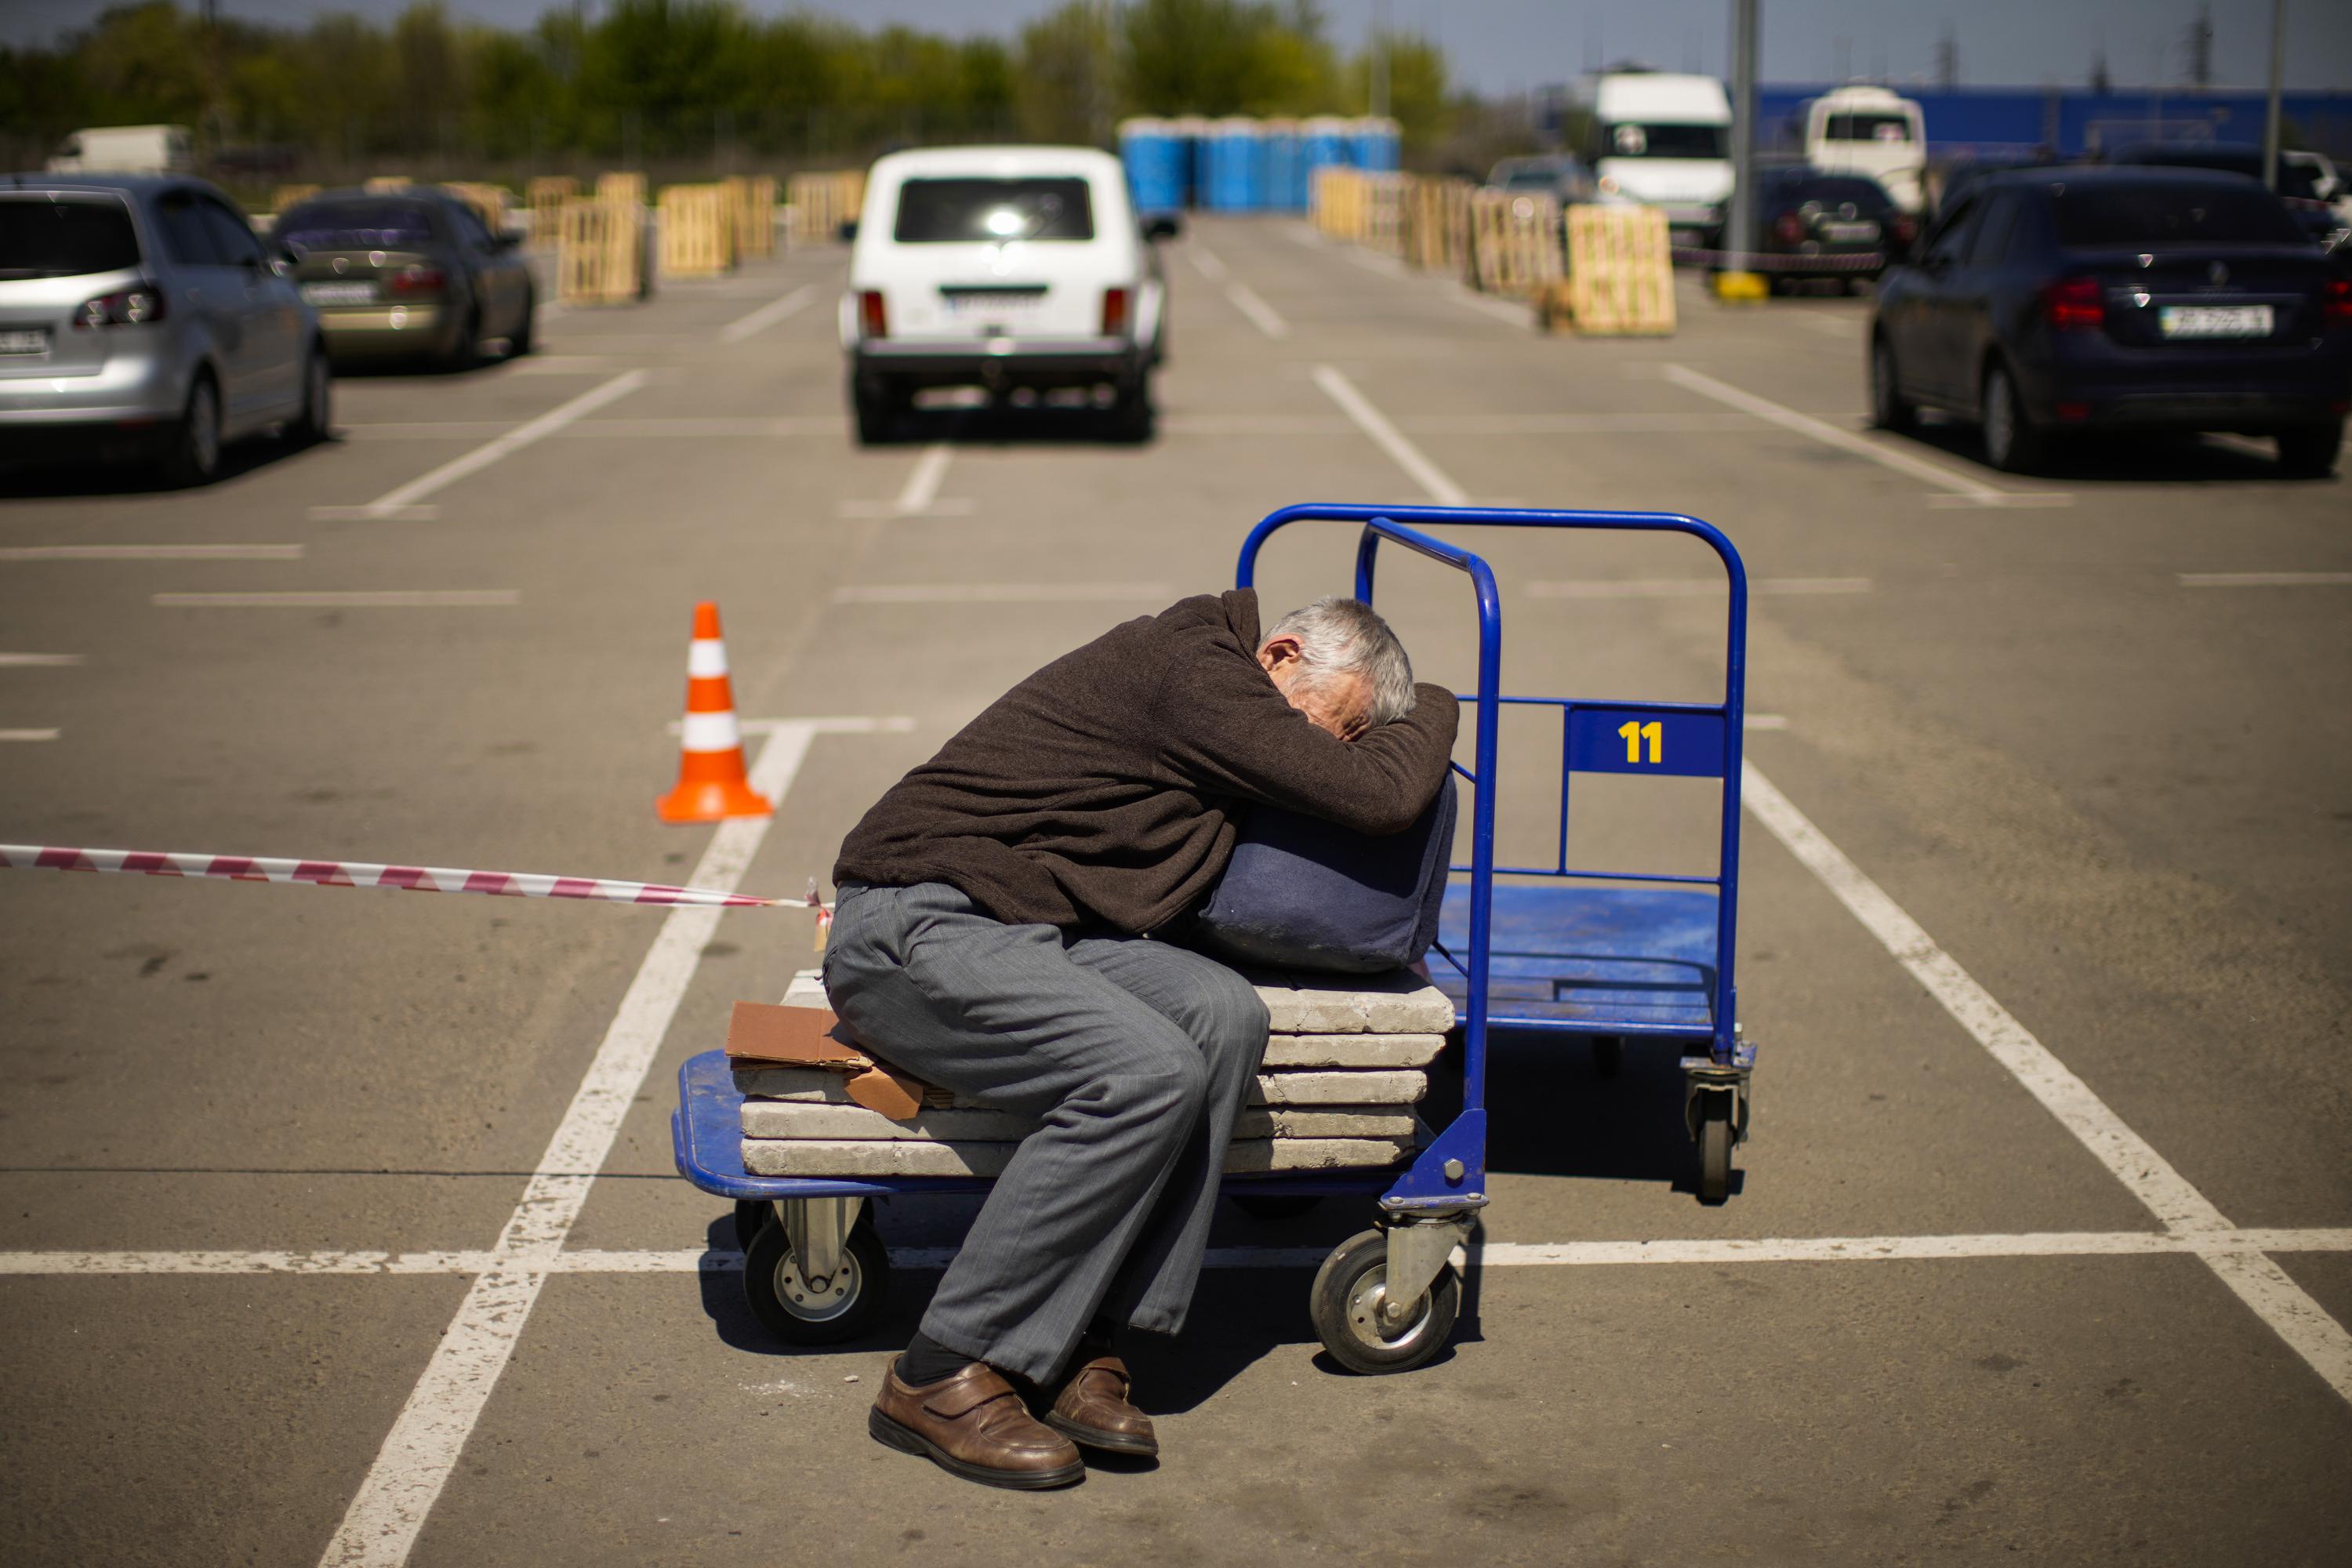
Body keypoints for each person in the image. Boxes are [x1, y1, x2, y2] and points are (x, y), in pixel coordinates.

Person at [822, 589, 1458, 1489]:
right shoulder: (1198, 673)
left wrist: (1367, 717)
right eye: (1333, 722)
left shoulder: (1232, 688)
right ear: (1279, 656)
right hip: (917, 921)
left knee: (1222, 1011)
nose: (1325, 752)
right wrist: (1438, 701)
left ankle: (1084, 1333)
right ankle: (940, 1368)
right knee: (1144, 1072)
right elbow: (1383, 793)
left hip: (1031, 925)